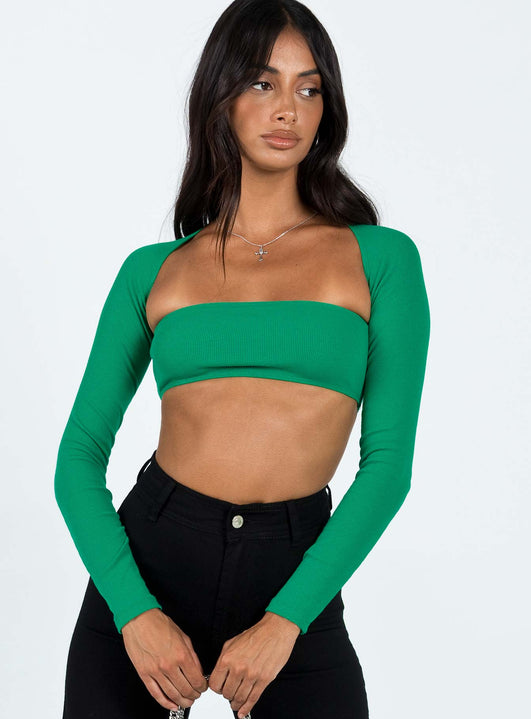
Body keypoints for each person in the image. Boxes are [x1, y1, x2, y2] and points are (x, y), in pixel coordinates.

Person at [54, 1, 431, 717]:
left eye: (308, 88)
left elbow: (387, 466)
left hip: (296, 576)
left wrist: (286, 620)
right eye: (262, 83)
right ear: (220, 95)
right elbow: (77, 458)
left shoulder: (380, 259)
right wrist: (133, 611)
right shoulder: (152, 272)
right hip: (150, 565)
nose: (287, 108)